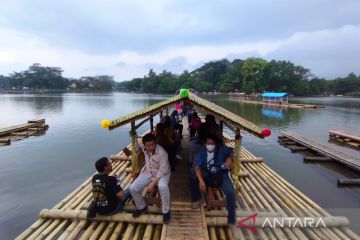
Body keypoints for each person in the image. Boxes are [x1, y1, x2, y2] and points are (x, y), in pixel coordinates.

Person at [190, 135, 237, 236]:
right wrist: (201, 180)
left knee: (231, 193)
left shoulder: (222, 150)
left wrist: (229, 158)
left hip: (222, 174)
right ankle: (196, 199)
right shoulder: (201, 153)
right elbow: (197, 167)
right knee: (193, 175)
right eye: (208, 144)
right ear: (205, 144)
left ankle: (231, 220)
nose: (210, 145)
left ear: (215, 145)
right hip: (207, 174)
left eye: (212, 144)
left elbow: (232, 151)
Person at [129, 133, 171, 224]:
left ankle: (166, 211)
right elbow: (137, 145)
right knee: (132, 188)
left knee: (163, 187)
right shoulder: (144, 147)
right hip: (148, 172)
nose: (150, 147)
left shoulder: (162, 153)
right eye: (148, 145)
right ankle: (141, 207)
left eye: (152, 144)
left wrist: (153, 183)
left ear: (155, 143)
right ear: (144, 145)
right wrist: (134, 136)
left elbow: (163, 170)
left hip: (162, 173)